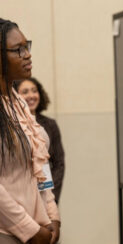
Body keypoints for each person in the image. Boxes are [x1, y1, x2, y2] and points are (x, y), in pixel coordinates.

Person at [0, 18, 60, 244]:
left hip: (38, 227)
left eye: (27, 47)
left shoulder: (19, 103)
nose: (27, 55)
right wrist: (29, 229)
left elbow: (39, 163)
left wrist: (52, 213)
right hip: (8, 232)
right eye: (18, 50)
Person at [14, 78, 65, 204]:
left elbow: (59, 164)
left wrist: (52, 198)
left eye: (34, 91)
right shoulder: (11, 126)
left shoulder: (50, 125)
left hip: (47, 194)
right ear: (15, 97)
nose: (31, 95)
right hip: (20, 197)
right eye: (25, 92)